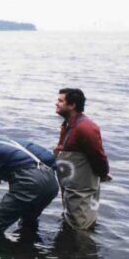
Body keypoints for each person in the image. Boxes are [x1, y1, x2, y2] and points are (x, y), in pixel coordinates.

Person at [54, 88, 111, 230]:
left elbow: (98, 156)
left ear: (72, 105)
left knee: (81, 224)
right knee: (71, 218)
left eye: (60, 101)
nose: (56, 104)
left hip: (81, 188)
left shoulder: (86, 128)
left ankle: (83, 248)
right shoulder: (67, 124)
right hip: (71, 187)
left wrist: (103, 174)